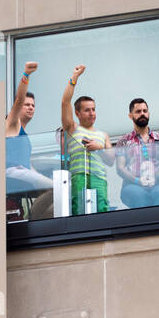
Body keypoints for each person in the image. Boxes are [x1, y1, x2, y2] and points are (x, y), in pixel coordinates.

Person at [59, 64, 113, 214]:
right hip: (78, 176)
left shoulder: (103, 135)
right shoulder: (72, 128)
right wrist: (74, 78)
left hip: (99, 178)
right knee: (79, 211)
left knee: (102, 211)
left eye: (93, 109)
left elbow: (111, 160)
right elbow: (65, 102)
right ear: (77, 113)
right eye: (87, 110)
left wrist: (99, 148)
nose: (92, 113)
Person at [5, 60, 55, 219]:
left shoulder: (25, 135)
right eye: (27, 105)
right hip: (11, 172)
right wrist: (26, 74)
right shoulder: (12, 124)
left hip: (23, 172)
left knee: (55, 201)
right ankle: (30, 219)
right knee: (55, 188)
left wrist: (41, 177)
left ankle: (35, 222)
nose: (31, 107)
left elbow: (28, 165)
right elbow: (19, 99)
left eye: (33, 105)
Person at [115, 98, 159, 208]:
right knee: (139, 196)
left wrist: (154, 179)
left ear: (148, 113)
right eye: (138, 111)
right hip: (132, 185)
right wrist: (138, 181)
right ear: (130, 116)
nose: (142, 114)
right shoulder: (123, 141)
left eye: (145, 111)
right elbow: (120, 168)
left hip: (156, 183)